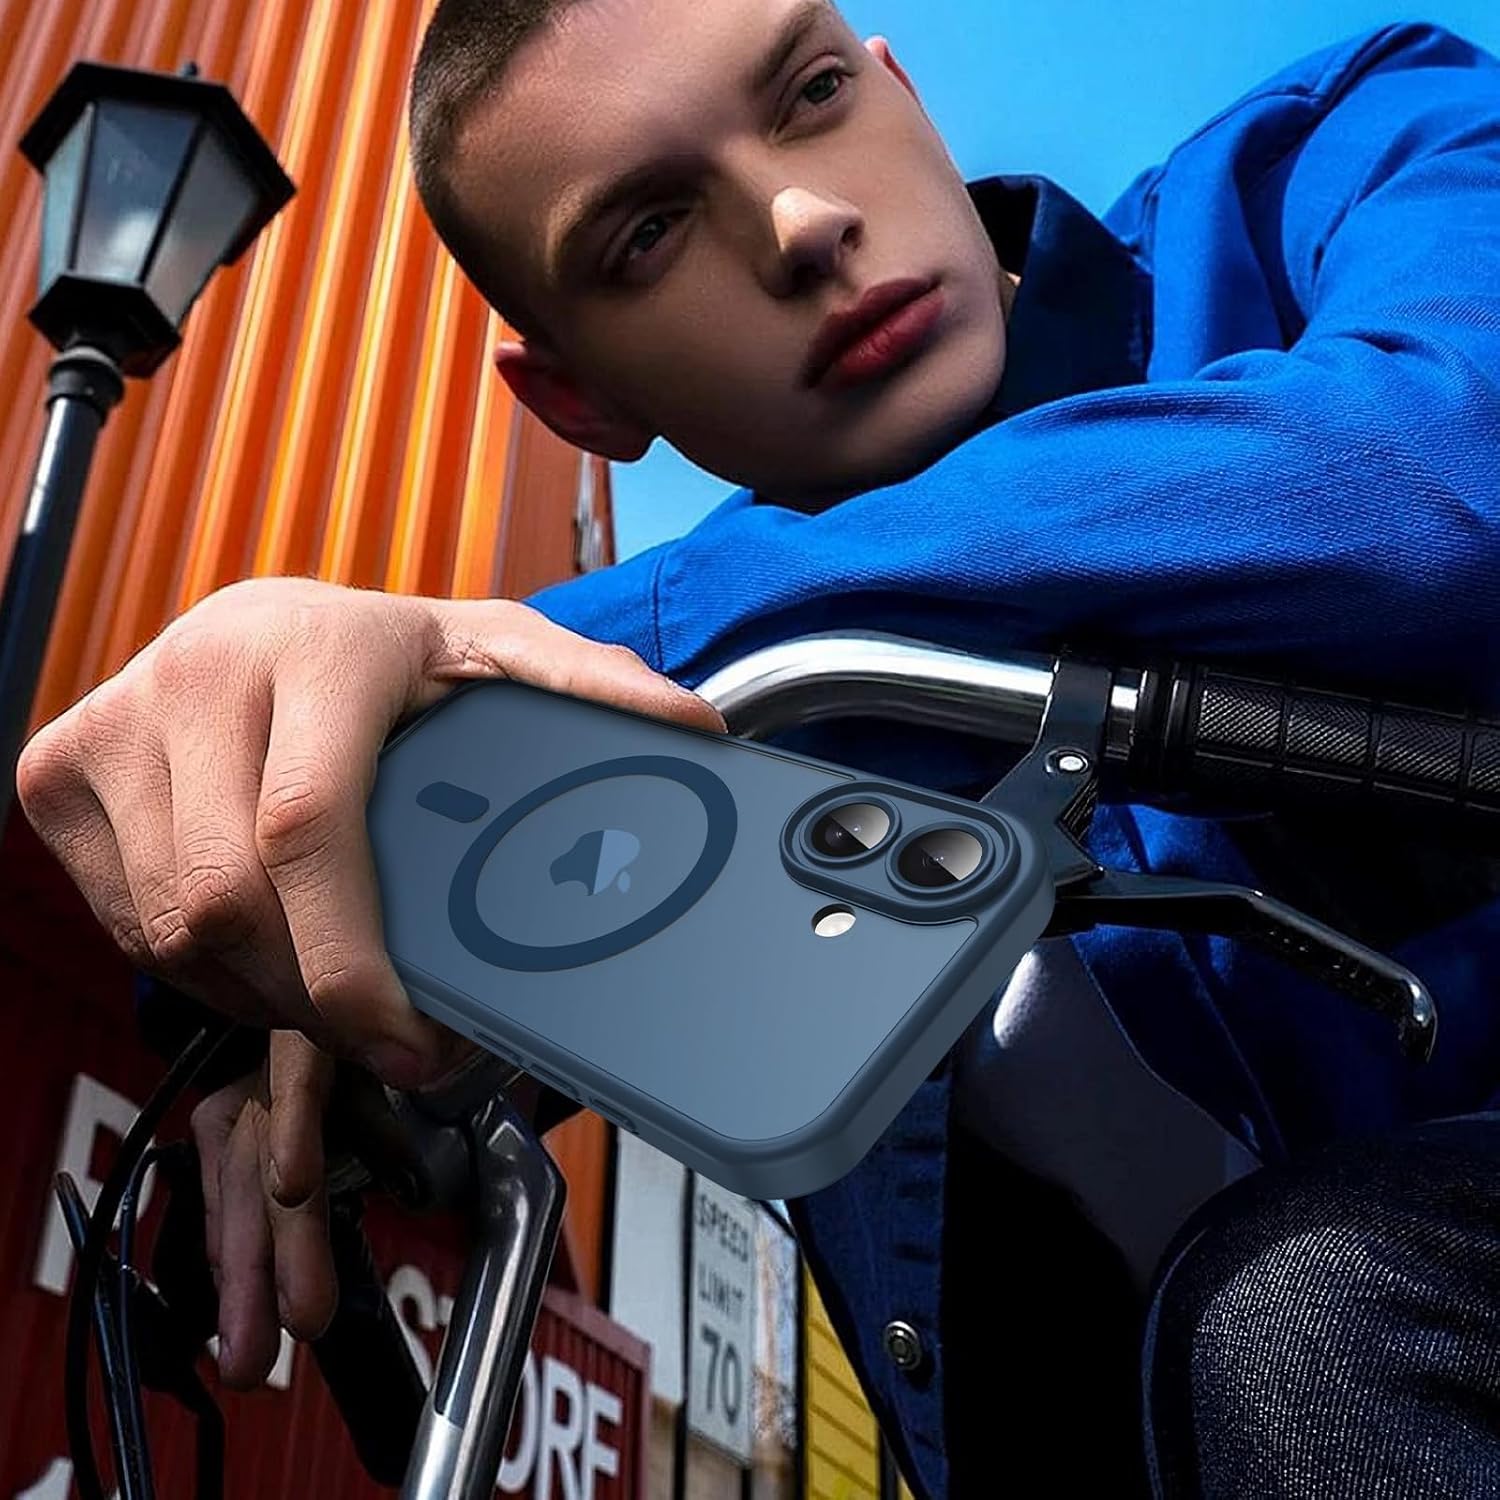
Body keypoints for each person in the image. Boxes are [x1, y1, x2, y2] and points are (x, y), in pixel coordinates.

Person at [17, 0, 1500, 1492]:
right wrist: (299, 910)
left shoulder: (1349, 141)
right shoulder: (662, 762)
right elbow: (334, 973)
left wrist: (522, 667)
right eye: (649, 233)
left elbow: (1445, 469)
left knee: (1311, 1306)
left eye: (811, 92)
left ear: (905, 96)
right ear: (579, 400)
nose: (800, 223)